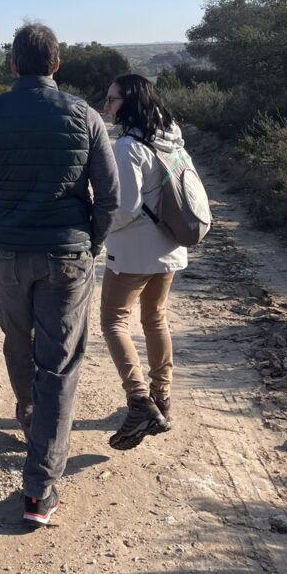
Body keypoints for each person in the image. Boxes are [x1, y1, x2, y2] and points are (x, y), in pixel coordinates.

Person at [0, 23, 119, 527]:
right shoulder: (84, 114)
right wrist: (92, 242)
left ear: (12, 64)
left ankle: (28, 409)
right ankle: (40, 488)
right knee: (60, 363)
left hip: (8, 252)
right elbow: (109, 196)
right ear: (56, 64)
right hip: (67, 255)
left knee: (16, 337)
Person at [100, 73, 187, 450]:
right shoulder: (172, 139)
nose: (107, 106)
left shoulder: (127, 147)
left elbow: (125, 208)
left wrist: (97, 228)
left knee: (113, 321)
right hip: (169, 246)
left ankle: (139, 402)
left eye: (112, 99)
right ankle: (161, 398)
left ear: (130, 103)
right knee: (155, 319)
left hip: (133, 252)